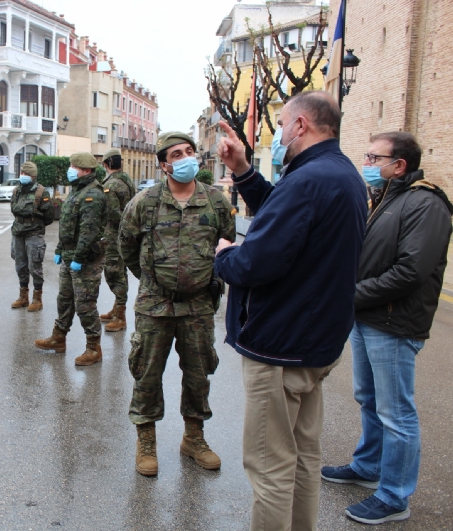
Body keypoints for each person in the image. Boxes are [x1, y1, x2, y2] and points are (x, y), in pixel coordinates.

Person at [214, 91, 367, 531]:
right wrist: (243, 170)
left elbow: (256, 263)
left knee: (270, 465)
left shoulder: (308, 180)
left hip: (282, 343)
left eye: (282, 125)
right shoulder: (340, 174)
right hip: (314, 343)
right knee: (302, 457)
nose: (279, 135)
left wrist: (225, 254)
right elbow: (286, 220)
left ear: (301, 125)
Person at [321, 132, 453, 526]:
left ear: (399, 166)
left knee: (397, 412)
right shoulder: (385, 199)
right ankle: (368, 466)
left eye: (373, 157)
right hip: (369, 315)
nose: (367, 162)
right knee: (369, 398)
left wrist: (351, 295)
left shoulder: (426, 204)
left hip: (394, 321)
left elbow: (411, 271)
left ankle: (395, 495)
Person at [119, 132, 234, 477]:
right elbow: (126, 246)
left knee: (198, 375)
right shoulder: (145, 202)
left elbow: (227, 243)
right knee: (147, 373)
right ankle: (147, 442)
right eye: (176, 154)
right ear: (164, 164)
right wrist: (155, 280)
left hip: (198, 306)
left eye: (189, 151)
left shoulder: (215, 201)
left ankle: (194, 438)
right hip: (155, 306)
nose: (185, 157)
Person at [34, 152, 107, 366]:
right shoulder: (77, 191)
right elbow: (66, 227)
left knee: (85, 304)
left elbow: (88, 232)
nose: (70, 169)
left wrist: (79, 257)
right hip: (69, 256)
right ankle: (58, 337)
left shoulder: (92, 195)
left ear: (85, 170)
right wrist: (59, 249)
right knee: (64, 299)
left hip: (85, 259)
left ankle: (94, 347)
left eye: (74, 166)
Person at [99, 149, 136, 332]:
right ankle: (117, 308)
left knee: (113, 272)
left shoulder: (110, 185)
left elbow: (112, 212)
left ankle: (120, 316)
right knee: (120, 271)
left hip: (114, 235)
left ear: (106, 164)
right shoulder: (127, 180)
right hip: (125, 233)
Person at [9, 161, 54, 312]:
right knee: (20, 266)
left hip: (34, 234)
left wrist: (36, 225)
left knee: (34, 266)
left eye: (26, 174)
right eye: (22, 173)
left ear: (33, 176)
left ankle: (37, 298)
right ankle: (23, 297)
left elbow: (49, 216)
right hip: (18, 233)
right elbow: (13, 210)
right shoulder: (16, 191)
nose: (23, 176)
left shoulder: (42, 192)